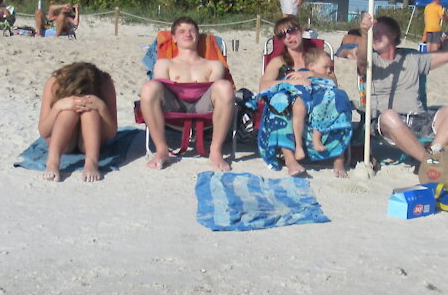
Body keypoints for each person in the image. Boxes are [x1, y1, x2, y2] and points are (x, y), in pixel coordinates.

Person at [357, 0, 448, 167]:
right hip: (387, 124)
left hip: (420, 120)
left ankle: (434, 151)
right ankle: (429, 163)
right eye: (374, 32)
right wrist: (364, 34)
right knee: (390, 116)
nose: (376, 35)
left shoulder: (412, 57)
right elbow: (361, 61)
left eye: (381, 32)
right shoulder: (371, 60)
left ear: (394, 34)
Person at [139, 17, 236, 172]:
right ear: (174, 38)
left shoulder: (214, 65)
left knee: (224, 86)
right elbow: (161, 90)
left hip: (204, 108)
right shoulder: (165, 64)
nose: (187, 34)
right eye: (182, 31)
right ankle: (162, 150)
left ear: (198, 36)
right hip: (173, 107)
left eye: (192, 30)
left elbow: (215, 93)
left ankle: (215, 151)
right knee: (150, 87)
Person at [257, 47, 351, 177]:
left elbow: (333, 82)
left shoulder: (319, 57)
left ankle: (339, 160)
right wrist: (291, 81)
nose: (289, 36)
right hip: (298, 99)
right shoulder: (280, 60)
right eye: (283, 35)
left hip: (320, 100)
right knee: (280, 102)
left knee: (340, 100)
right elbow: (264, 86)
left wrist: (313, 75)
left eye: (293, 31)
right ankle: (291, 158)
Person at [36, 61, 118, 183]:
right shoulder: (55, 82)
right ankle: (53, 162)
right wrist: (58, 107)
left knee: (90, 112)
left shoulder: (105, 83)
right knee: (67, 112)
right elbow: (43, 131)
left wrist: (102, 108)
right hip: (63, 141)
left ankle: (91, 162)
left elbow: (112, 133)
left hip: (89, 141)